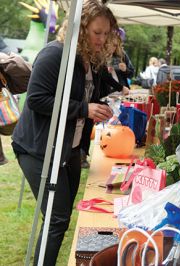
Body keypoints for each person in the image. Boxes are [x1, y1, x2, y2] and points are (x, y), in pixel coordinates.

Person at [11, 1, 116, 264]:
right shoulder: (54, 54)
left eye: (106, 33)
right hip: (38, 147)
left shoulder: (88, 60)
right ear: (80, 29)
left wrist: (101, 106)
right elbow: (36, 99)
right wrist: (84, 109)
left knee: (61, 216)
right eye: (97, 32)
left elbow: (92, 93)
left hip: (68, 147)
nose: (102, 39)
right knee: (57, 217)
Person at [80, 31, 132, 168]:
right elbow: (105, 76)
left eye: (115, 45)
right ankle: (81, 154)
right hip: (95, 98)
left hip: (97, 98)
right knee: (86, 125)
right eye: (111, 45)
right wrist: (121, 87)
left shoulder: (117, 57)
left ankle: (82, 153)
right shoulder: (95, 57)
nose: (112, 48)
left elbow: (127, 72)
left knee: (88, 125)